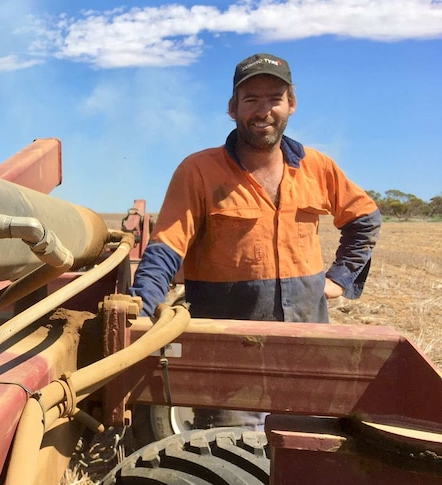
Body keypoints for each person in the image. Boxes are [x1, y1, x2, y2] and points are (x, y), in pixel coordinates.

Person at [128, 53, 382, 430]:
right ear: (233, 108)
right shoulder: (199, 170)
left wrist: (339, 279)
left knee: (304, 446)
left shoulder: (317, 167)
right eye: (251, 100)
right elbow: (166, 248)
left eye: (274, 99)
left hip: (306, 349)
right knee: (235, 453)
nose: (263, 111)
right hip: (231, 359)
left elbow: (365, 219)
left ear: (291, 104)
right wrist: (139, 315)